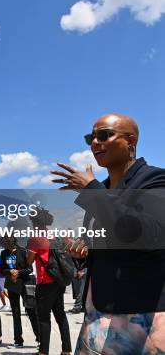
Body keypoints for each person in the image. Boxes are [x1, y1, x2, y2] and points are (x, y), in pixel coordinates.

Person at [51, 113, 165, 354]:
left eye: (104, 135)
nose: (94, 142)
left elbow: (144, 235)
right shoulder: (101, 190)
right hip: (98, 309)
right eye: (90, 137)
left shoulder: (154, 179)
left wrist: (92, 190)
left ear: (130, 141)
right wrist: (84, 250)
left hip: (140, 313)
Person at [27, 209, 72, 355]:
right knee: (61, 316)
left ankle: (43, 352)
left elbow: (29, 261)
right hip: (58, 281)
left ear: (34, 222)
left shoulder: (35, 239)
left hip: (45, 282)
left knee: (44, 319)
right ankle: (66, 350)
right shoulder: (54, 236)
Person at [0, 235, 40, 347]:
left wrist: (18, 272)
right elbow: (2, 269)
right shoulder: (3, 253)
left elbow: (29, 269)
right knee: (15, 313)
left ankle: (39, 338)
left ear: (13, 242)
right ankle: (18, 340)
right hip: (12, 285)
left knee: (31, 311)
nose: (8, 248)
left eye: (9, 245)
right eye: (5, 245)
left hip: (24, 284)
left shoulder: (23, 251)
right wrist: (9, 271)